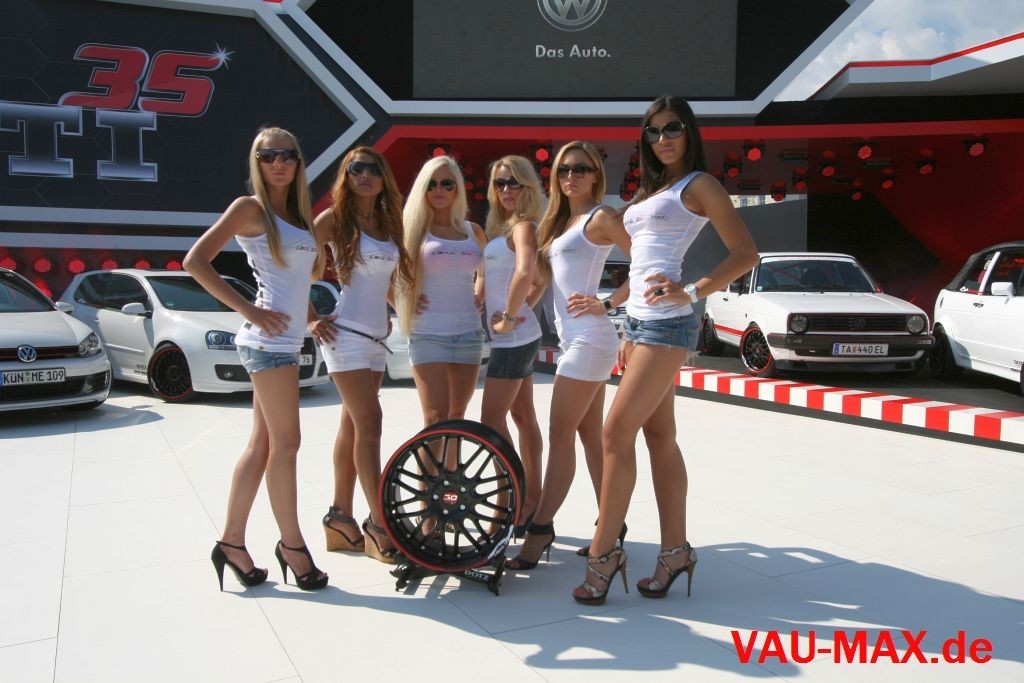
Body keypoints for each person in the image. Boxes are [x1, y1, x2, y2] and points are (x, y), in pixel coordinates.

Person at [572, 96, 758, 605]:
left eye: (672, 128)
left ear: (689, 131)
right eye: (653, 132)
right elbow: (639, 265)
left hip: (668, 325)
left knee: (614, 432)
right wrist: (625, 326)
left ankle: (603, 554)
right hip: (639, 325)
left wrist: (692, 291)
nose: (663, 139)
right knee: (659, 437)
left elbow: (746, 252)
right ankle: (675, 551)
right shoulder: (651, 191)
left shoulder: (699, 185)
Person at [185, 127, 329, 591]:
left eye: (287, 155)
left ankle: (231, 543)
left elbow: (298, 284)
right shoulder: (250, 209)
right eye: (268, 156)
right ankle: (292, 546)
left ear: (298, 161)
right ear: (257, 162)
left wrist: (312, 321)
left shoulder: (298, 216)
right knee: (288, 444)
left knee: (263, 445)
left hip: (285, 342)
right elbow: (195, 261)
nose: (278, 163)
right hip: (267, 344)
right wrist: (248, 310)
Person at [508, 141, 631, 570]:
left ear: (596, 174)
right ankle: (611, 526)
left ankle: (541, 529)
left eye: (580, 169)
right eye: (563, 170)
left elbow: (646, 264)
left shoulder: (602, 217)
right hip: (576, 339)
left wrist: (608, 303)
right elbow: (545, 281)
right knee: (589, 436)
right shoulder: (560, 222)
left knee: (559, 435)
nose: (571, 177)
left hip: (589, 340)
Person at [310, 147, 414, 564]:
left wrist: (401, 307)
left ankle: (340, 517)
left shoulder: (387, 222)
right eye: (357, 169)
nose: (365, 175)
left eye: (373, 169)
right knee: (371, 424)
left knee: (353, 427)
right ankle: (378, 523)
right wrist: (311, 317)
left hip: (375, 337)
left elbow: (382, 282)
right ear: (346, 176)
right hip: (345, 334)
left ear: (383, 177)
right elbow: (293, 267)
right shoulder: (334, 219)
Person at [479, 156, 546, 533]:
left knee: (490, 421)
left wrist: (508, 315)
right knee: (522, 418)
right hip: (518, 336)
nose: (506, 189)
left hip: (513, 340)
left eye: (514, 182)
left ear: (527, 186)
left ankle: (511, 499)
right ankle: (532, 498)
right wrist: (521, 309)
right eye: (500, 183)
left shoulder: (523, 226)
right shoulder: (503, 227)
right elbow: (538, 282)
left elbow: (526, 272)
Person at [397, 156, 487, 429]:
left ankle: (447, 462)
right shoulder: (412, 229)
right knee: (436, 418)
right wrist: (403, 302)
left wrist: (479, 296)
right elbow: (389, 277)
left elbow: (486, 272)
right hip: (428, 333)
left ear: (457, 188)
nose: (439, 189)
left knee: (457, 417)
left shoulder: (473, 231)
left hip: (469, 333)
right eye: (432, 184)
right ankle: (427, 462)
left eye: (447, 184)